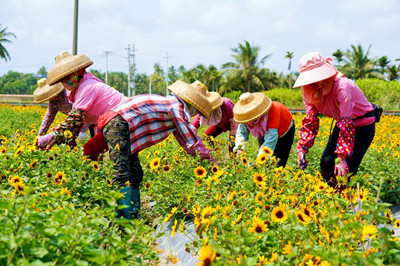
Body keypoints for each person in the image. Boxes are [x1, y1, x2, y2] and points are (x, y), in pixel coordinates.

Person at [95, 80, 215, 219]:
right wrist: (210, 162)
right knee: (121, 173)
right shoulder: (177, 107)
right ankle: (122, 221)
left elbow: (183, 140)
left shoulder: (172, 105)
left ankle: (134, 214)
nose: (195, 114)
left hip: (123, 126)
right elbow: (191, 140)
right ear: (192, 105)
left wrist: (200, 157)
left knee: (135, 174)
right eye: (197, 110)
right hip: (118, 124)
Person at [293, 52, 376, 188]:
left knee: (346, 169)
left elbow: (346, 122)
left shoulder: (342, 86)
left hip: (362, 126)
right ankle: (329, 198)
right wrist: (302, 149)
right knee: (326, 163)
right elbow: (310, 122)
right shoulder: (308, 93)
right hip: (343, 125)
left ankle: (348, 202)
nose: (315, 82)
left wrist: (341, 158)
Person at [36, 51, 128, 150]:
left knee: (113, 156)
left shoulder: (86, 87)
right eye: (62, 80)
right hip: (111, 121)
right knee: (93, 150)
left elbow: (76, 117)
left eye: (67, 77)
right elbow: (51, 117)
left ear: (78, 71)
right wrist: (46, 136)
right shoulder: (76, 91)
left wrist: (52, 136)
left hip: (121, 118)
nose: (65, 82)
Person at [233, 92, 295, 167]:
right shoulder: (245, 114)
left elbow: (271, 139)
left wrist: (260, 160)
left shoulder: (273, 110)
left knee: (279, 162)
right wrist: (239, 150)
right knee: (265, 164)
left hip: (284, 130)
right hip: (264, 132)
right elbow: (241, 133)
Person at [33, 78, 87, 143]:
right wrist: (40, 135)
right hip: (75, 121)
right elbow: (49, 117)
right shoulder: (53, 101)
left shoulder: (68, 94)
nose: (51, 98)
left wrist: (82, 130)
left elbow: (82, 112)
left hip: (89, 117)